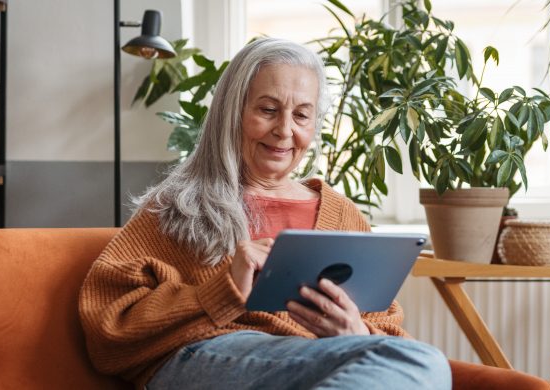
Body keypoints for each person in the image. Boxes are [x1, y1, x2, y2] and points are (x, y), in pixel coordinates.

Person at [78, 38, 451, 389]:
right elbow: (108, 331)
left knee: (423, 362)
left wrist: (356, 333)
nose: (285, 130)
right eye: (268, 110)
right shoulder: (178, 205)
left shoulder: (342, 213)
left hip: (316, 364)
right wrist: (221, 290)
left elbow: (387, 330)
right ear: (232, 112)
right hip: (202, 357)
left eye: (302, 115)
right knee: (423, 364)